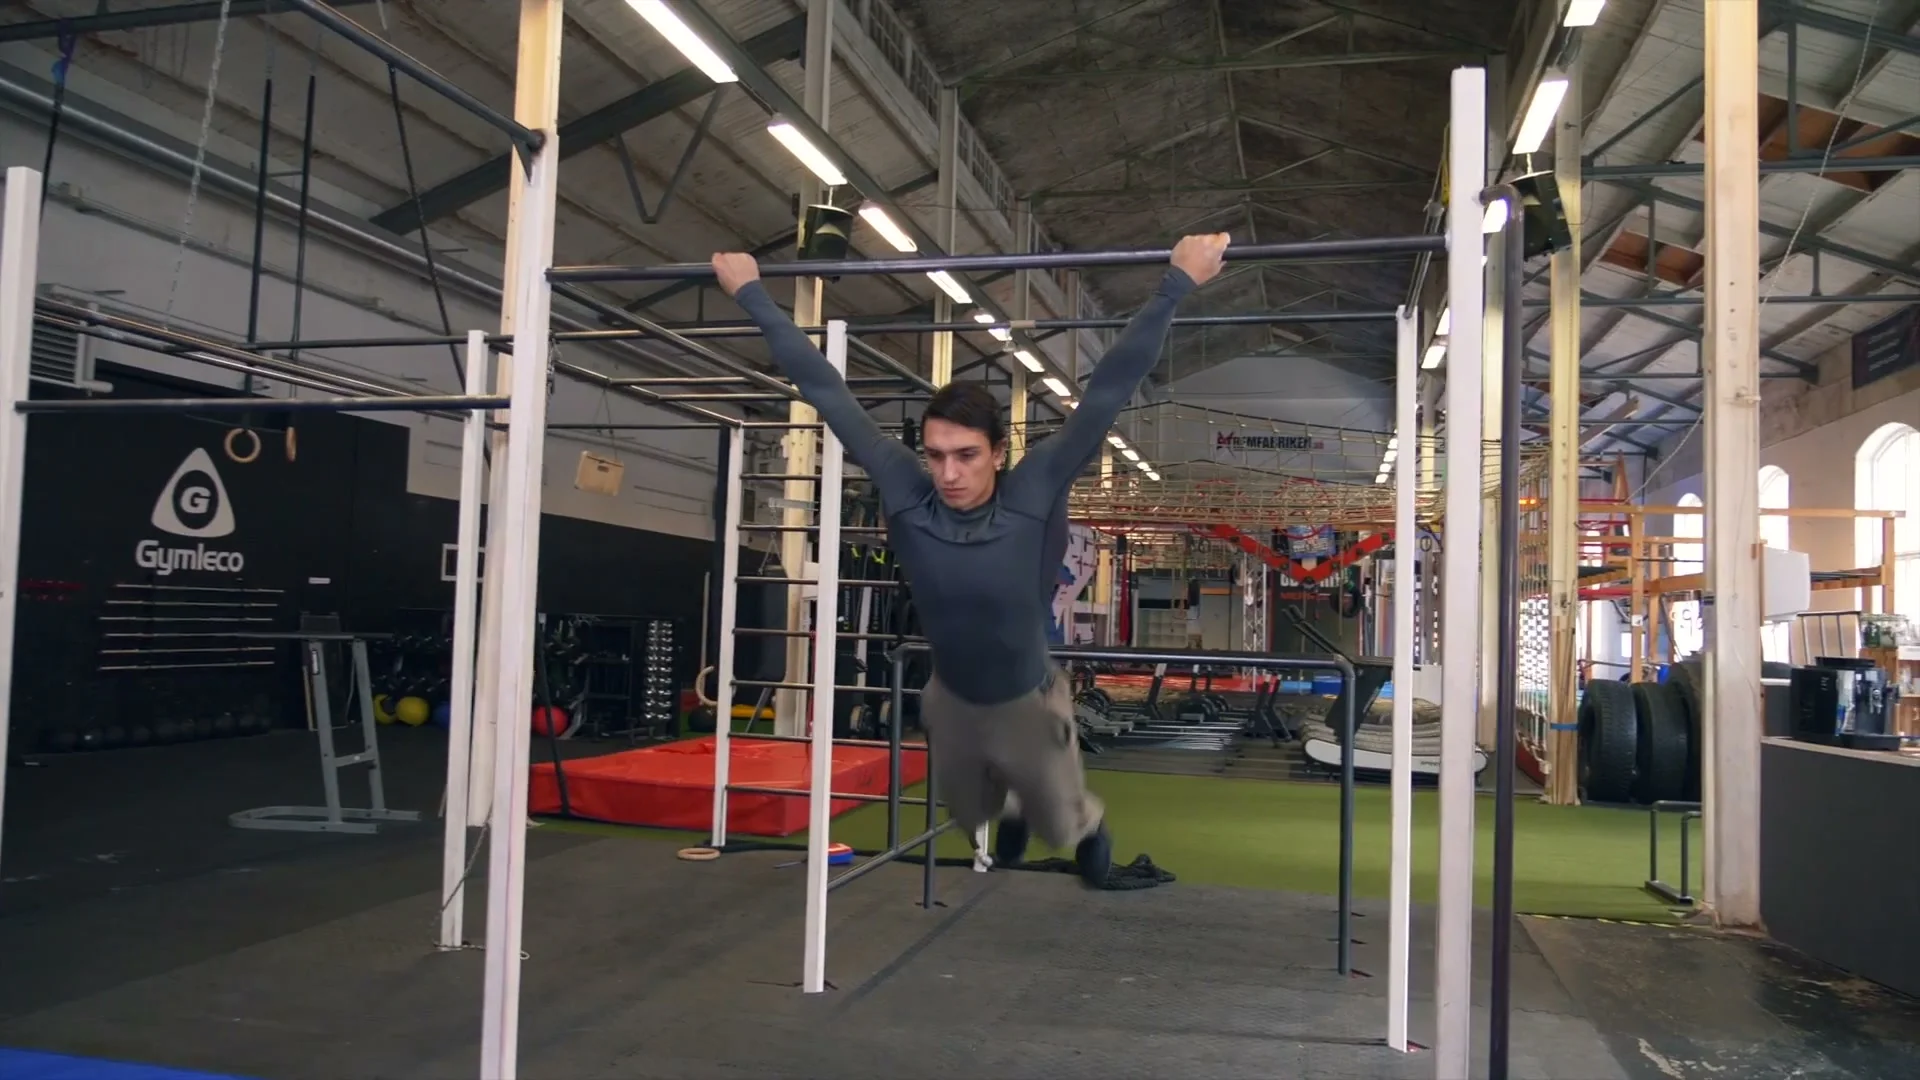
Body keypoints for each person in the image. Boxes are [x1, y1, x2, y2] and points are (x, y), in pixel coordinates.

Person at [712, 234, 1229, 886]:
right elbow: (824, 388)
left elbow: (1110, 389)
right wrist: (753, 293)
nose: (948, 473)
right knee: (969, 811)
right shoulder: (906, 488)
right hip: (950, 698)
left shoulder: (1033, 488)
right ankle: (1007, 797)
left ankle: (1083, 827)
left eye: (966, 456)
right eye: (936, 455)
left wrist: (1175, 282)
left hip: (1027, 697)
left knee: (1066, 826)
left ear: (997, 453)